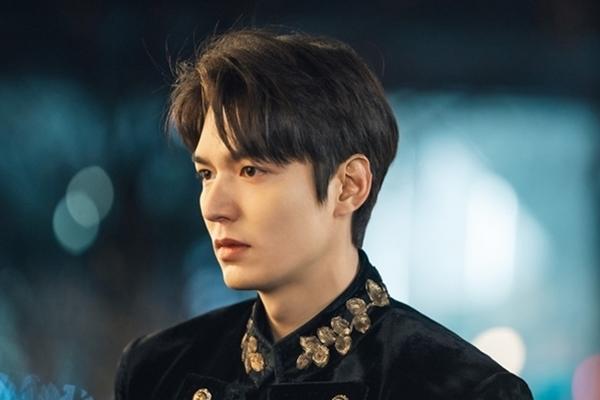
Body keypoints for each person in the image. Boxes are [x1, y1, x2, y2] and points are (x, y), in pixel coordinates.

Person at [114, 27, 533, 400]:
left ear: (349, 185)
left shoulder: (463, 388)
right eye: (206, 173)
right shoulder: (158, 370)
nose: (214, 207)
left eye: (251, 170)